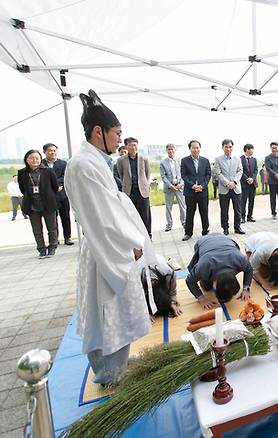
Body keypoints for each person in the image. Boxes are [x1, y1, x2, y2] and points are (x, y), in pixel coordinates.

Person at [65, 89, 156, 386]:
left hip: (111, 245)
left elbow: (113, 206)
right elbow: (103, 217)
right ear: (97, 132)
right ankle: (109, 372)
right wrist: (131, 244)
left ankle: (115, 366)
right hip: (106, 250)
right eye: (116, 133)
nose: (120, 139)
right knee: (108, 314)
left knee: (118, 313)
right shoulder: (83, 165)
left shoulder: (93, 162)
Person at [186, 233, 252, 309]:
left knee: (227, 285)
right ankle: (205, 282)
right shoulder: (204, 267)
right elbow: (189, 281)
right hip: (204, 242)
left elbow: (249, 270)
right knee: (207, 287)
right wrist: (201, 298)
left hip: (225, 240)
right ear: (215, 284)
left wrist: (246, 288)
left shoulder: (241, 260)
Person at [18, 149, 59, 258]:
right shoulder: (22, 173)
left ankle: (52, 247)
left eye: (37, 158)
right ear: (26, 160)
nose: (34, 160)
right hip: (32, 205)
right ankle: (41, 249)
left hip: (48, 203)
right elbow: (23, 189)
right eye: (31, 158)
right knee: (37, 229)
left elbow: (55, 187)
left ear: (40, 159)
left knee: (52, 227)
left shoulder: (48, 171)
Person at [117, 137, 152, 237]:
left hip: (142, 190)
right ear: (126, 147)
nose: (133, 147)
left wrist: (142, 183)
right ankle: (135, 235)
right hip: (129, 191)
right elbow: (121, 174)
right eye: (130, 145)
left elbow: (147, 173)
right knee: (131, 214)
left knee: (145, 214)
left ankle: (148, 234)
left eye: (135, 145)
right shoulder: (121, 160)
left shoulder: (144, 159)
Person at [42, 143, 74, 245]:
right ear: (45, 152)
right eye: (50, 150)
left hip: (62, 194)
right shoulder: (41, 164)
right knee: (52, 219)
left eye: (54, 150)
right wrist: (52, 186)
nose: (52, 152)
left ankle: (67, 237)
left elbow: (66, 176)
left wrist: (57, 185)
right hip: (48, 196)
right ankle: (54, 239)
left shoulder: (63, 163)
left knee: (65, 217)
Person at [181, 140, 211, 241]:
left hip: (203, 191)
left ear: (200, 148)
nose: (195, 149)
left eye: (197, 147)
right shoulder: (184, 161)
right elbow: (184, 175)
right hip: (190, 192)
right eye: (193, 148)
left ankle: (205, 231)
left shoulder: (205, 160)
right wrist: (193, 186)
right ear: (190, 149)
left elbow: (208, 175)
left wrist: (202, 186)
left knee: (204, 212)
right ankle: (188, 233)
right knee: (190, 213)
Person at [216, 139, 244, 235]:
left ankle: (237, 227)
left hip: (236, 188)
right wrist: (227, 183)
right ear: (222, 147)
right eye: (226, 147)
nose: (228, 149)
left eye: (230, 147)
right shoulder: (218, 159)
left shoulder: (237, 158)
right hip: (224, 188)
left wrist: (234, 182)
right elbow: (218, 173)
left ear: (232, 147)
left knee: (238, 209)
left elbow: (240, 171)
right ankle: (225, 228)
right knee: (224, 209)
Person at [160, 143, 186, 232]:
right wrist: (170, 186)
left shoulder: (180, 161)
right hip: (169, 188)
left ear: (175, 150)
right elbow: (163, 176)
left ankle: (184, 222)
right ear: (167, 151)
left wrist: (181, 184)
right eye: (169, 149)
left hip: (179, 187)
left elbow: (184, 174)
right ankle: (169, 224)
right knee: (168, 207)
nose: (170, 151)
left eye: (172, 149)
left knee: (182, 206)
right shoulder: (163, 162)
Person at [264, 141, 278, 220]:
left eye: (275, 148)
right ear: (271, 148)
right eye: (273, 148)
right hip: (272, 181)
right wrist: (276, 175)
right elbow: (268, 168)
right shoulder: (267, 158)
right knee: (273, 198)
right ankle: (273, 213)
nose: (274, 149)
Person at [240, 143, 258, 223]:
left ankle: (250, 216)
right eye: (251, 149)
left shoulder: (254, 159)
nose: (253, 151)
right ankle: (242, 217)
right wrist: (247, 179)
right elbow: (240, 171)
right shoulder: (240, 159)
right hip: (244, 183)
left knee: (252, 201)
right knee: (243, 201)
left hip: (253, 184)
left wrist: (252, 178)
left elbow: (256, 170)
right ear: (247, 149)